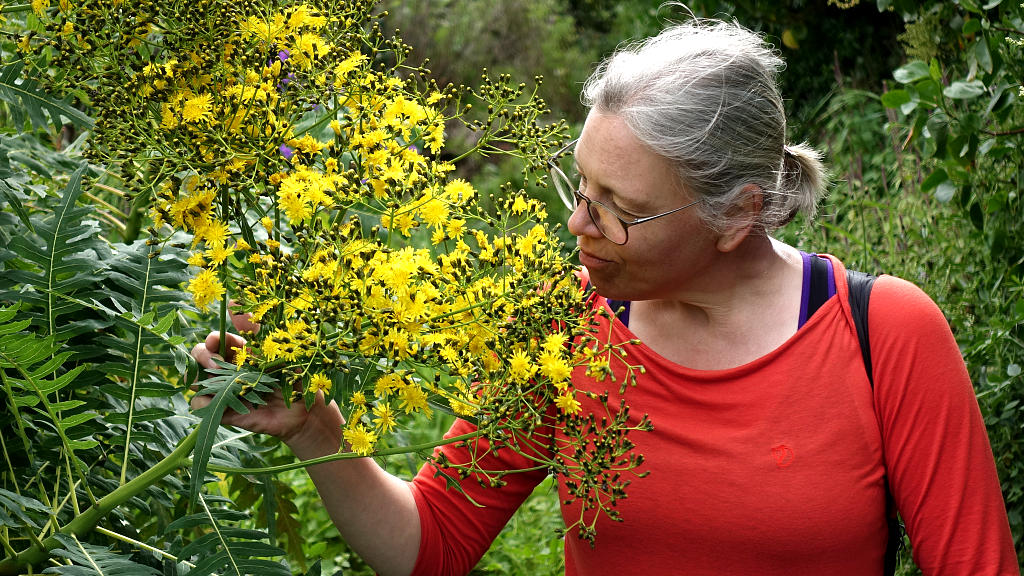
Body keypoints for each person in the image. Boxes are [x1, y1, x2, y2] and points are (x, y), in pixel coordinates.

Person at [191, 16, 1019, 576]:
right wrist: (315, 431)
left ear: (737, 213)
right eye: (579, 187)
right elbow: (430, 543)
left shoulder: (885, 333)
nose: (579, 225)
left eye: (618, 208)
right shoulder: (566, 324)